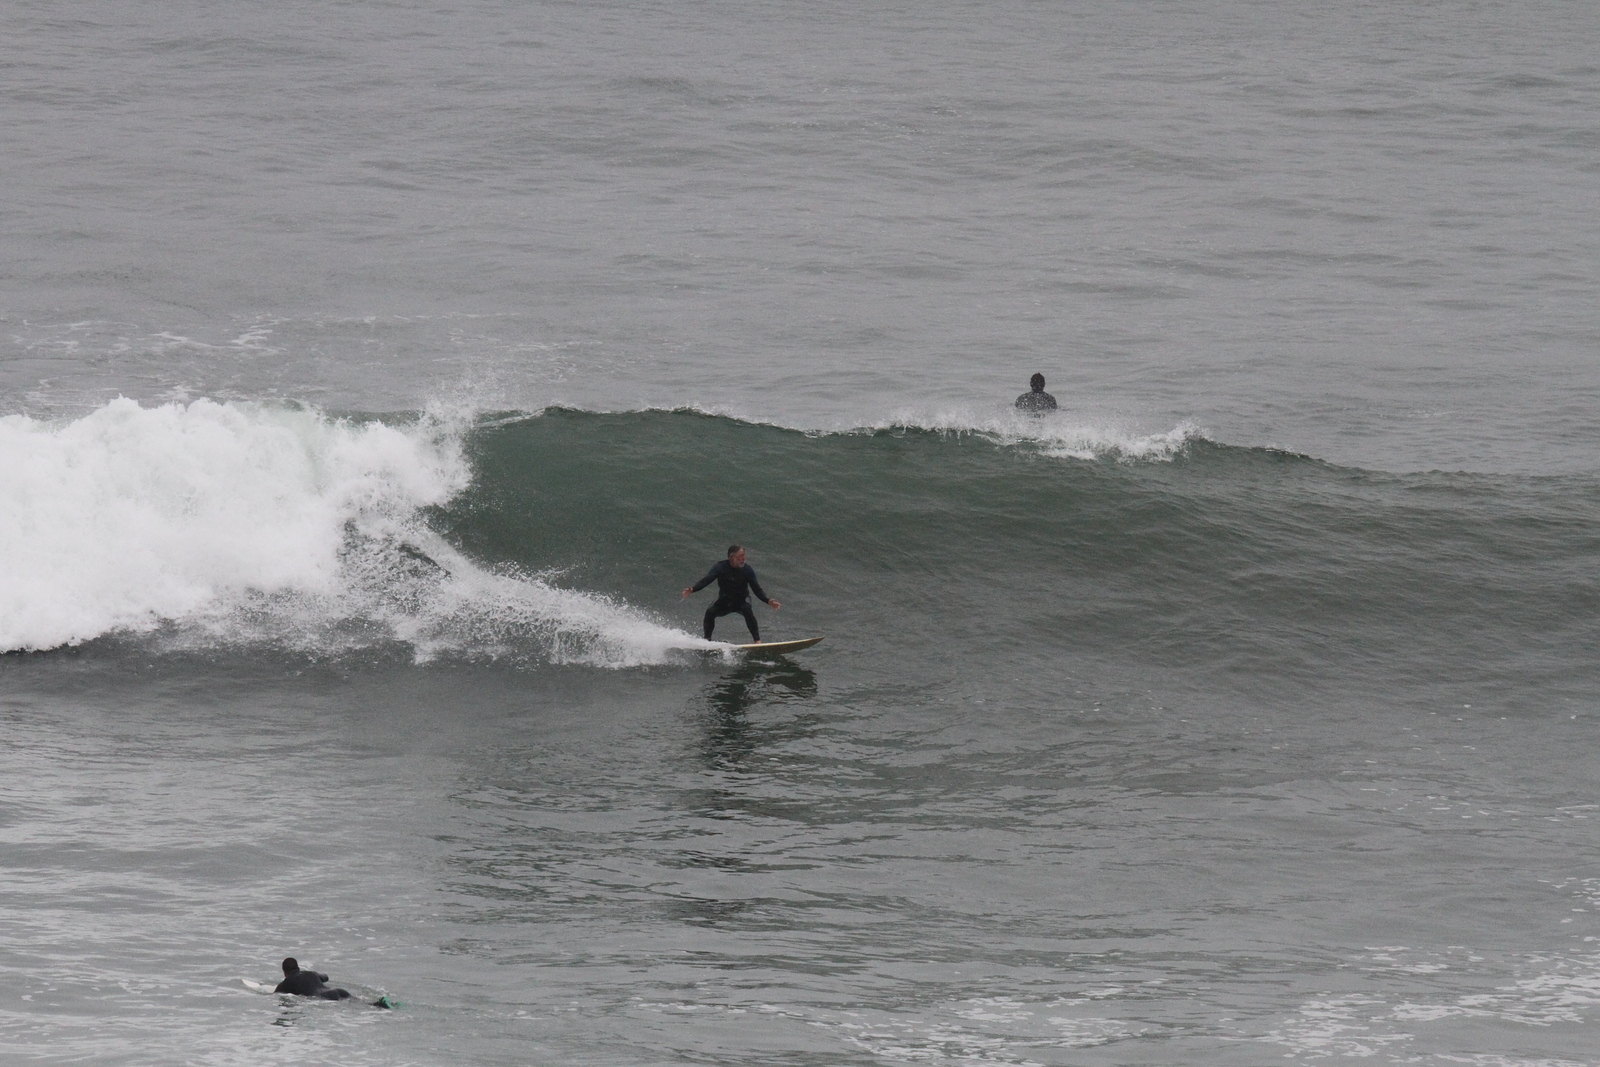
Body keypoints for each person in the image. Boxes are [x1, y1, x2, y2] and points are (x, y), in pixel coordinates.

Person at [682, 544, 781, 643]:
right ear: (731, 557)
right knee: (710, 613)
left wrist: (768, 601)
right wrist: (693, 589)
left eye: (744, 556)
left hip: (742, 600)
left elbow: (757, 589)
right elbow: (707, 580)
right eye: (740, 556)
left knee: (747, 610)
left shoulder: (747, 570)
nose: (743, 559)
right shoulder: (720, 567)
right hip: (725, 601)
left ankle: (757, 641)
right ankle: (707, 642)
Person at [275, 957, 351, 1000]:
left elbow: (275, 995)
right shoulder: (311, 973)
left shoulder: (285, 984)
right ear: (298, 968)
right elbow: (325, 977)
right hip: (337, 991)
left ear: (284, 972)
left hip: (322, 998)